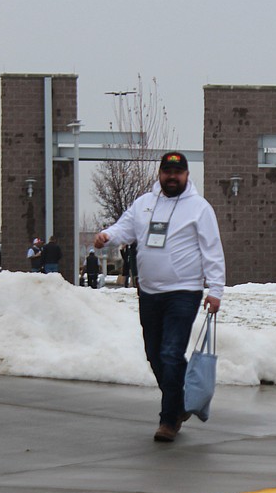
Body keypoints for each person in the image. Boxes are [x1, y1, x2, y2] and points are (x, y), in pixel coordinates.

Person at [94, 151, 225, 443]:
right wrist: (107, 236)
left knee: (170, 352)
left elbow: (212, 251)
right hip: (149, 293)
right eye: (167, 172)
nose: (172, 177)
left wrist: (215, 290)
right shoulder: (144, 204)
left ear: (187, 175)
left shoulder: (199, 209)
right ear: (160, 174)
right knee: (154, 354)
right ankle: (178, 403)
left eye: (178, 172)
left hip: (184, 291)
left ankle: (169, 420)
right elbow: (124, 228)